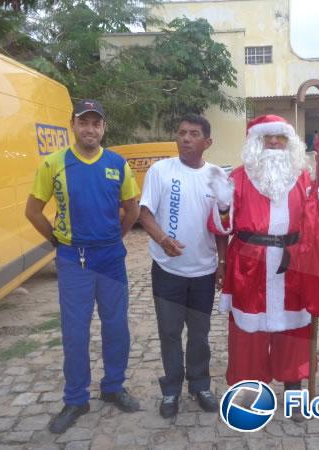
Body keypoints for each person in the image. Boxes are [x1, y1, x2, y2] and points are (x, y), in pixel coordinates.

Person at [25, 99, 141, 434]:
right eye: (83, 122)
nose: (90, 129)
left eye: (96, 123)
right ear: (73, 125)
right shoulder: (54, 164)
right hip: (73, 259)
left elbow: (131, 212)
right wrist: (58, 241)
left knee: (116, 326)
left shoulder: (118, 165)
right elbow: (33, 211)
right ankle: (76, 398)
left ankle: (114, 386)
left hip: (110, 259)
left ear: (104, 128)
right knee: (75, 333)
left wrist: (112, 238)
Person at [208, 115, 319, 404]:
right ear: (255, 142)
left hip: (292, 265)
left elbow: (316, 229)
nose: (274, 142)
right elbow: (222, 228)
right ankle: (250, 392)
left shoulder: (303, 177)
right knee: (248, 334)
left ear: (290, 143)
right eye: (267, 137)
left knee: (294, 330)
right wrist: (223, 205)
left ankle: (293, 391)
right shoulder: (237, 177)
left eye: (280, 137)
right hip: (249, 265)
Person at [138, 114, 228, 418]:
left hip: (203, 273)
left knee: (200, 334)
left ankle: (200, 384)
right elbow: (145, 214)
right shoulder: (160, 171)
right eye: (181, 133)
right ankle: (171, 390)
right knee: (169, 332)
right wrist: (163, 239)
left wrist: (222, 263)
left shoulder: (217, 177)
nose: (185, 138)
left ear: (207, 142)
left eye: (193, 134)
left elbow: (223, 225)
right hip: (167, 271)